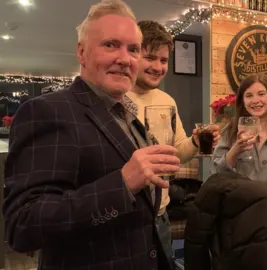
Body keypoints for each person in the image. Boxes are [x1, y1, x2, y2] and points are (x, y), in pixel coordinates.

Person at [3, 1, 180, 269]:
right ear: (82, 52)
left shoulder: (128, 114)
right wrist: (122, 184)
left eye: (133, 49)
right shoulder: (47, 110)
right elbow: (23, 225)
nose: (124, 58)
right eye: (110, 45)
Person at [126, 20, 220, 264]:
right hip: (124, 216)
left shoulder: (167, 101)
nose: (158, 67)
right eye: (150, 58)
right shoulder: (115, 97)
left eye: (164, 60)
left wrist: (196, 142)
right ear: (134, 54)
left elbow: (177, 154)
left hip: (160, 216)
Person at [210, 74, 267, 181]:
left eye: (261, 94)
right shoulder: (229, 132)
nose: (255, 100)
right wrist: (235, 150)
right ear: (243, 102)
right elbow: (214, 175)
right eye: (249, 95)